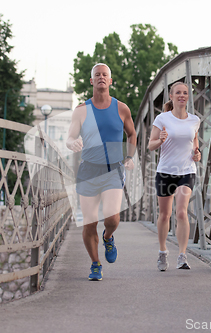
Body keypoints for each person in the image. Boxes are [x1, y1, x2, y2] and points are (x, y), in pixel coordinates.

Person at [66, 63, 136, 281]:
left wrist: (130, 156)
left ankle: (108, 236)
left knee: (112, 218)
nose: (101, 78)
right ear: (92, 81)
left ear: (110, 80)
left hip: (113, 169)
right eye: (97, 75)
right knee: (88, 222)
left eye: (105, 75)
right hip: (88, 169)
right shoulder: (81, 110)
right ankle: (95, 264)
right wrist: (72, 144)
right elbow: (70, 137)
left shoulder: (122, 108)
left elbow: (132, 134)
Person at [147, 81, 201, 271]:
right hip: (165, 171)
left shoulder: (195, 120)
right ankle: (163, 252)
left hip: (186, 171)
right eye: (178, 92)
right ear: (171, 96)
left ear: (188, 97)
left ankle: (182, 255)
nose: (182, 96)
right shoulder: (162, 119)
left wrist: (197, 153)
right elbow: (150, 145)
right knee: (164, 215)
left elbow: (195, 144)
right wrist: (160, 140)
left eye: (185, 93)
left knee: (181, 212)